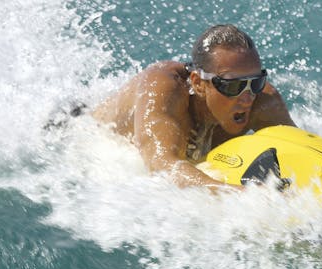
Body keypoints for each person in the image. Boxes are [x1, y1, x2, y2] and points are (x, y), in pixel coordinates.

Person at [92, 24, 296, 191]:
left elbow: (299, 149)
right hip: (82, 132)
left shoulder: (263, 100)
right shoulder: (164, 91)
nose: (248, 97)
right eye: (233, 85)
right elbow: (161, 166)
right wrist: (238, 194)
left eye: (256, 82)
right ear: (198, 83)